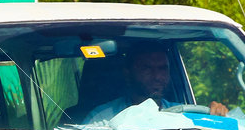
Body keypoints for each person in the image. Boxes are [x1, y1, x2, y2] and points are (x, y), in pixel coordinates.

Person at [84, 47, 228, 122]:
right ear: (128, 73)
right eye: (147, 68)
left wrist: (215, 115)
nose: (157, 76)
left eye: (162, 69)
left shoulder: (184, 114)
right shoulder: (102, 119)